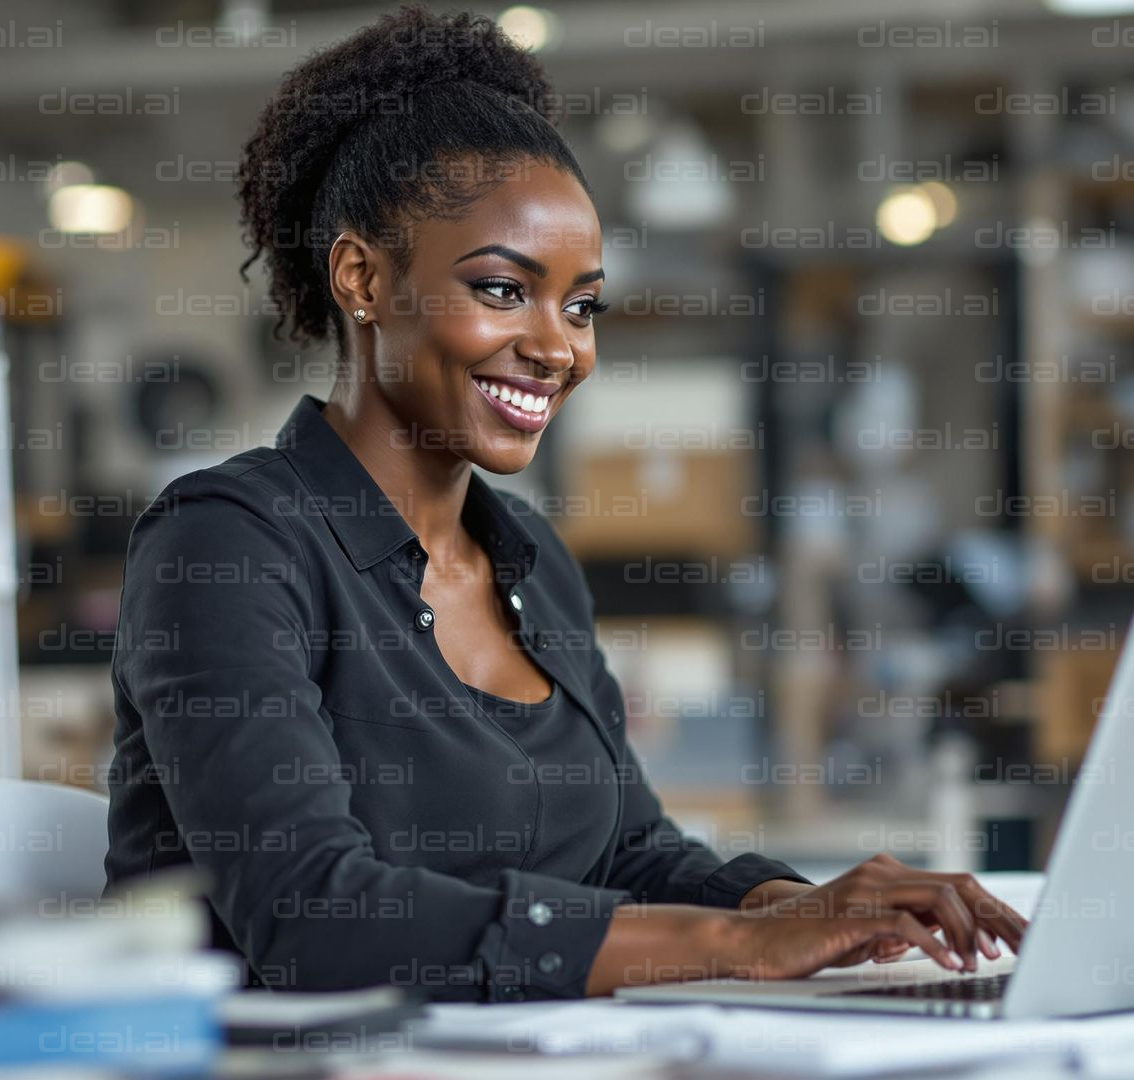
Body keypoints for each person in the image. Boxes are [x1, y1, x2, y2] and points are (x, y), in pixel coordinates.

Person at [105, 5, 1024, 1003]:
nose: (559, 347)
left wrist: (795, 906)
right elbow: (316, 918)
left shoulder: (528, 563)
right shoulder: (227, 548)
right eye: (504, 290)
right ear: (362, 277)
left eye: (582, 304)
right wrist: (737, 943)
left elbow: (628, 851)